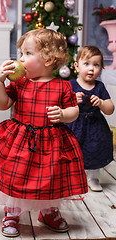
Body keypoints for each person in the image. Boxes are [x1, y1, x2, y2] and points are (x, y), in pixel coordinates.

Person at [0, 29, 88, 237]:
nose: (20, 59)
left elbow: (74, 111)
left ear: (49, 59)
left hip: (51, 141)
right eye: (21, 54)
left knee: (50, 178)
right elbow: (2, 104)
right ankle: (12, 212)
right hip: (21, 140)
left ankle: (48, 211)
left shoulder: (63, 86)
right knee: (17, 176)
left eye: (27, 54)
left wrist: (63, 114)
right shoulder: (20, 83)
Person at [67, 45, 115, 192]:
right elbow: (61, 105)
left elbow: (110, 109)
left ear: (101, 68)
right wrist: (71, 100)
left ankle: (93, 177)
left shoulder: (99, 87)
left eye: (96, 65)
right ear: (77, 66)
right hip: (74, 124)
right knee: (73, 150)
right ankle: (73, 178)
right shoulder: (71, 85)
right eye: (86, 64)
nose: (91, 68)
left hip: (95, 126)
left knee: (95, 149)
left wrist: (100, 102)